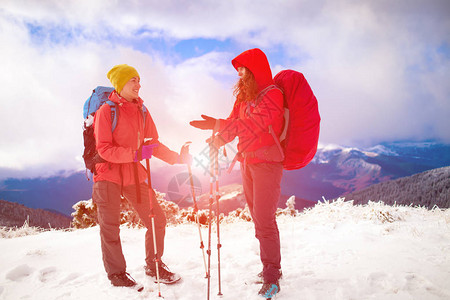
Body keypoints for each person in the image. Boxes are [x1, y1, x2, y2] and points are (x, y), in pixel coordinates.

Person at [190, 48, 284, 298]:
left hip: (267, 163)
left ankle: (272, 277)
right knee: (258, 218)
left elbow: (255, 125)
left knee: (264, 220)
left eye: (243, 69)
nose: (240, 75)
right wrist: (218, 139)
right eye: (238, 70)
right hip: (247, 162)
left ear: (255, 69)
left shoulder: (273, 95)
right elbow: (234, 123)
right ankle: (270, 268)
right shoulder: (244, 96)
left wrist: (220, 126)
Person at [93, 64, 190, 288]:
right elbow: (104, 149)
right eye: (132, 80)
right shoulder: (106, 111)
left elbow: (153, 144)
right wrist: (135, 154)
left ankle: (154, 264)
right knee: (110, 228)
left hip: (135, 175)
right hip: (107, 175)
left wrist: (178, 158)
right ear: (120, 84)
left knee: (157, 219)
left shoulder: (142, 111)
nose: (138, 84)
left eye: (139, 79)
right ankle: (117, 274)